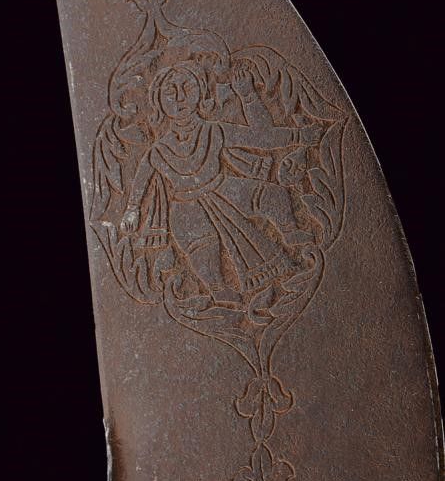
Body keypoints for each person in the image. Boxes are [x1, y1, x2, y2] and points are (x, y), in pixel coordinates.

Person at [120, 59, 322, 305]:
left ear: (201, 94)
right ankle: (218, 289)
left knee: (273, 194)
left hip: (223, 187)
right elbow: (141, 179)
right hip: (187, 207)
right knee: (201, 247)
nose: (181, 98)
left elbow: (260, 138)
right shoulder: (157, 150)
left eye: (188, 88)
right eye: (171, 93)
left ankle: (290, 232)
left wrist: (253, 100)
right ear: (159, 103)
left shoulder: (213, 131)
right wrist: (132, 209)